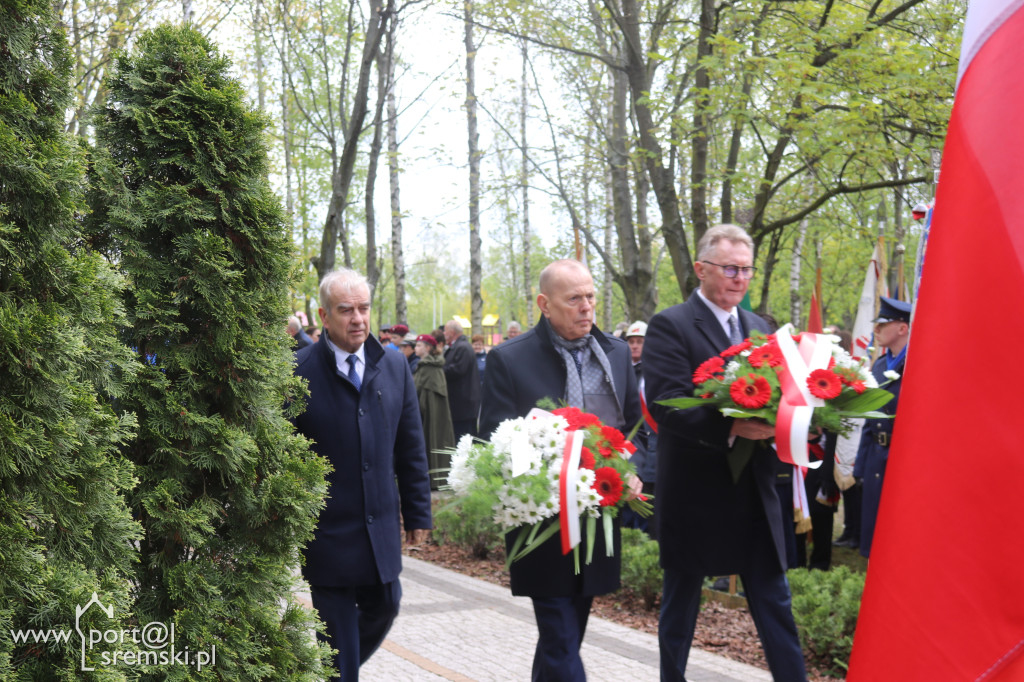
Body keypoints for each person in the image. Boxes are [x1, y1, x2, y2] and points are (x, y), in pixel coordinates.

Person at [643, 224, 807, 681]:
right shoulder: (670, 325)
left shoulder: (760, 328)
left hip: (754, 492)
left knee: (775, 605)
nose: (739, 278)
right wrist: (732, 425)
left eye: (746, 269)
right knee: (681, 611)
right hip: (697, 494)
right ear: (701, 269)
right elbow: (666, 403)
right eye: (729, 268)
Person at [480, 259, 642, 682]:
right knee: (559, 634)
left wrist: (631, 469)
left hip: (597, 515)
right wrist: (544, 469)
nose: (586, 307)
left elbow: (629, 429)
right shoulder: (509, 360)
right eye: (574, 299)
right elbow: (495, 439)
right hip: (539, 521)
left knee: (566, 637)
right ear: (544, 304)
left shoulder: (617, 353)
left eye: (590, 296)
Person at [292, 269, 432, 680]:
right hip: (327, 536)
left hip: (380, 530)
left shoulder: (393, 365)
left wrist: (419, 515)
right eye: (346, 310)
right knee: (338, 640)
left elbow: (411, 446)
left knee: (386, 606)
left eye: (364, 308)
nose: (358, 319)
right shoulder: (297, 372)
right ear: (324, 315)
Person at [853, 295, 910, 559]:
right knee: (874, 535)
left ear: (902, 328)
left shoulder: (917, 365)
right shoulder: (878, 366)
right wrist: (861, 466)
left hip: (903, 458)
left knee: (900, 534)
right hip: (877, 455)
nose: (875, 331)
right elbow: (869, 419)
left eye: (882, 325)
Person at [621, 320, 658, 537]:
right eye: (631, 341)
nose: (635, 346)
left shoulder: (654, 373)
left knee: (646, 510)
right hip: (627, 448)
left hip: (651, 449)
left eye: (640, 342)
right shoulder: (620, 370)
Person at [412, 333, 456, 490]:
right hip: (423, 410)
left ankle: (436, 479)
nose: (415, 348)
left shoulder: (431, 368)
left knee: (434, 438)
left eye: (419, 345)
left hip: (433, 413)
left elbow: (428, 393)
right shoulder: (424, 365)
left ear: (428, 348)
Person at [443, 320, 480, 441]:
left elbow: (458, 370)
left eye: (445, 331)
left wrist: (439, 371)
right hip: (461, 405)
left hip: (463, 406)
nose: (444, 333)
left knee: (464, 439)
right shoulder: (459, 346)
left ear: (452, 332)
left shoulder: (462, 347)